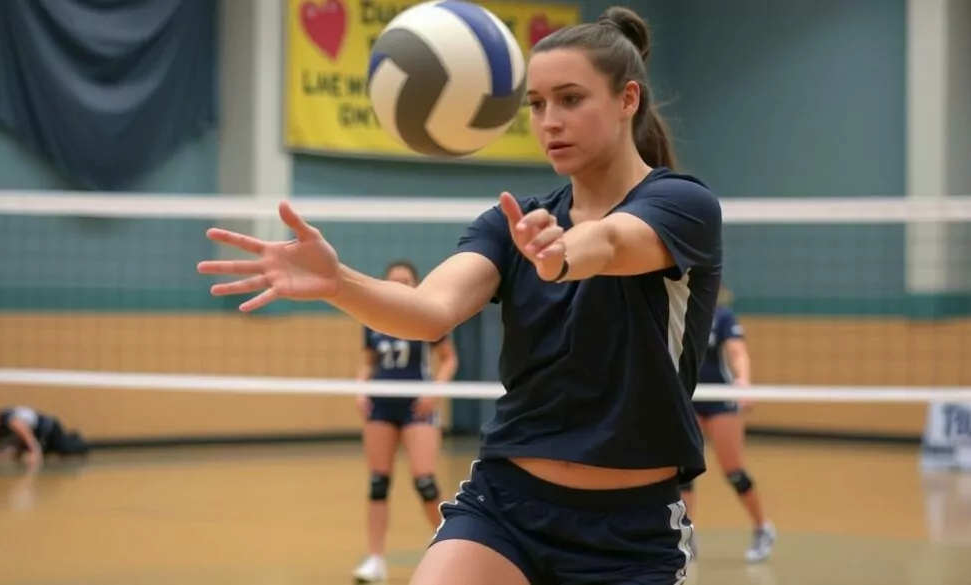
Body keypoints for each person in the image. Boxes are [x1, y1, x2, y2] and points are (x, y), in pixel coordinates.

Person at [198, 6, 722, 584]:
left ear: (627, 100)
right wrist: (338, 282)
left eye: (571, 99)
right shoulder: (511, 222)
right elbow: (429, 312)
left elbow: (617, 241)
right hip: (506, 507)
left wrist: (563, 254)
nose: (549, 120)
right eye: (537, 104)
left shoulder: (683, 206)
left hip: (629, 531)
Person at [353, 260, 460, 583]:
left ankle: (452, 549)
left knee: (425, 482)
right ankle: (375, 560)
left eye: (406, 281)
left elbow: (450, 359)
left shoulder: (426, 317)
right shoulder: (372, 319)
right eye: (394, 281)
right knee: (377, 483)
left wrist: (435, 392)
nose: (400, 285)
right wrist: (359, 388)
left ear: (416, 284)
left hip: (417, 406)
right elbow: (368, 361)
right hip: (381, 404)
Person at [680, 285, 775, 562]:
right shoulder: (676, 314)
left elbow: (736, 352)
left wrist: (743, 382)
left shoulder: (722, 317)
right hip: (690, 398)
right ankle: (686, 535)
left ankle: (762, 528)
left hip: (721, 399)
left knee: (733, 470)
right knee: (684, 469)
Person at [0, 403, 90, 465]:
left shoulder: (9, 420)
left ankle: (78, 439)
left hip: (48, 429)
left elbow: (26, 434)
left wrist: (35, 452)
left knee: (67, 449)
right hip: (40, 437)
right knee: (53, 453)